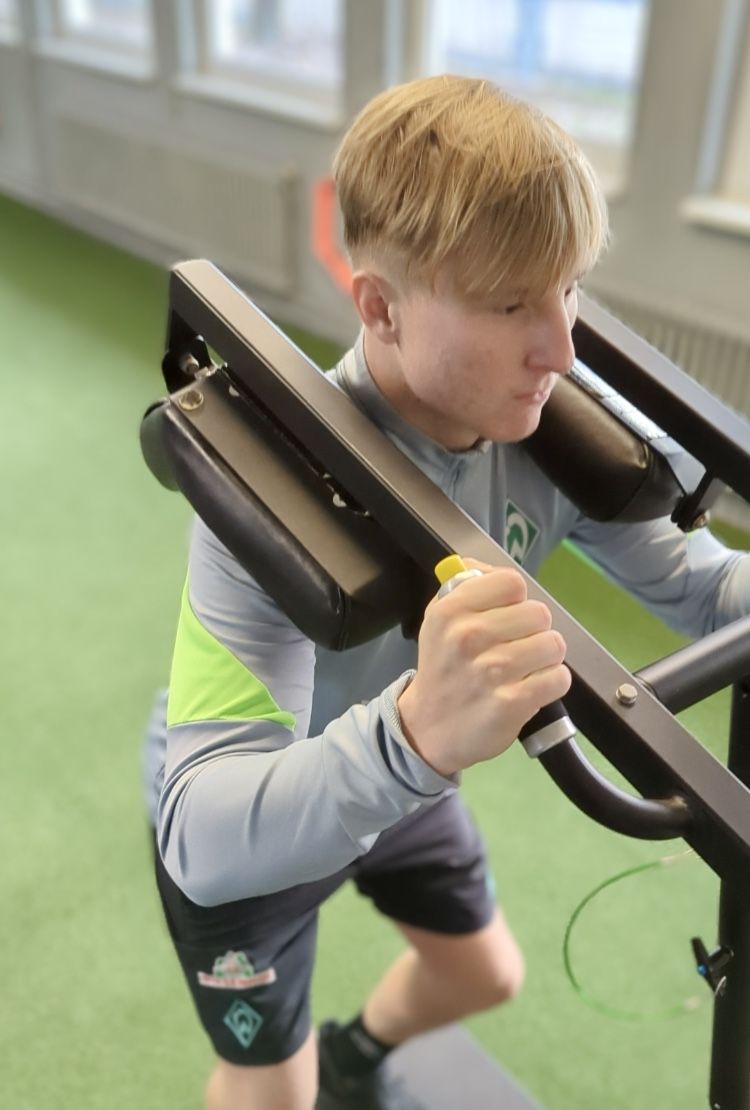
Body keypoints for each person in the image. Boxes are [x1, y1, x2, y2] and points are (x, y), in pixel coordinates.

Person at [143, 74, 750, 1110]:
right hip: (272, 821)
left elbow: (705, 594)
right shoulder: (273, 490)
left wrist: (414, 755)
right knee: (270, 1089)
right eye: (512, 305)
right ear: (379, 306)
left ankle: (354, 1060)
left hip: (404, 787)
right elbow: (199, 832)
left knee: (485, 974)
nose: (560, 348)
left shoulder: (536, 430)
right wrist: (416, 736)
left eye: (567, 289)